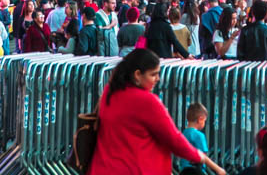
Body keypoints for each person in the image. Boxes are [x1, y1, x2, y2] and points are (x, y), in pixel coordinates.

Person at [86, 49, 226, 175]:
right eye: (153, 75)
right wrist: (208, 162)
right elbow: (174, 140)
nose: (158, 79)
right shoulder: (147, 102)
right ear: (137, 75)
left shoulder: (109, 92)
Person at [180, 102, 209, 173]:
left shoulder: (183, 133)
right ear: (200, 119)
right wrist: (218, 169)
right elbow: (203, 157)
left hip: (184, 171)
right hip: (197, 171)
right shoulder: (199, 135)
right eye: (204, 121)